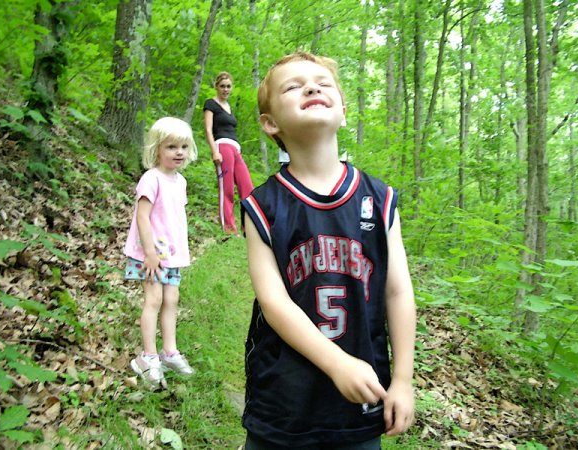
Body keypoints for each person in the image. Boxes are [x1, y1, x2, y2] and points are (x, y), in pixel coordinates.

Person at [241, 52, 416, 449]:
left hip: (360, 401)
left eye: (323, 82)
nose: (311, 87)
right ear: (270, 124)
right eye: (292, 86)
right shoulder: (263, 206)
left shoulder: (380, 198)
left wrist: (403, 379)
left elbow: (398, 291)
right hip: (282, 401)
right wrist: (336, 362)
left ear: (343, 110)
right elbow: (275, 303)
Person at [124, 117, 198, 389]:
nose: (179, 152)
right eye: (171, 147)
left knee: (171, 299)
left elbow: (174, 217)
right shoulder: (151, 179)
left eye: (183, 147)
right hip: (152, 254)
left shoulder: (180, 182)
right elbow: (143, 217)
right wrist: (149, 252)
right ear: (157, 149)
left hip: (172, 254)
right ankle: (147, 356)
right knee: (153, 300)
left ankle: (169, 351)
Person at [204, 72, 254, 234]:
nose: (226, 89)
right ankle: (229, 228)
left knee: (247, 187)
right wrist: (214, 152)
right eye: (222, 86)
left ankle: (248, 226)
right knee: (226, 189)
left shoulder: (229, 107)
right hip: (222, 147)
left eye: (228, 86)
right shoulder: (211, 104)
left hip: (235, 149)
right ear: (216, 87)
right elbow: (208, 130)